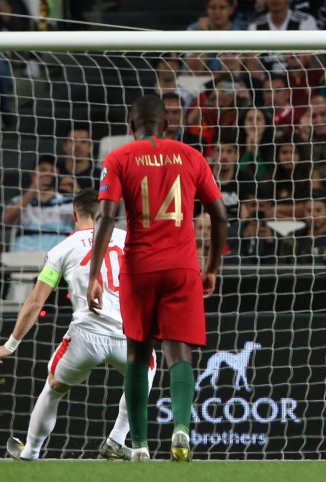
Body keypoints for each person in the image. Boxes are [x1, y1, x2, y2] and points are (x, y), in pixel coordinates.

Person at [89, 95, 228, 462]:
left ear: (129, 125)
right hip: (183, 268)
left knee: (138, 352)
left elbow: (105, 218)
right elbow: (220, 215)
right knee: (178, 352)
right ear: (167, 125)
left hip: (140, 268)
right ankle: (181, 426)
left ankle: (139, 446)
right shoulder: (191, 155)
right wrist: (211, 267)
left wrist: (95, 274)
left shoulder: (119, 158)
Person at [0, 190, 157, 461]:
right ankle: (117, 439)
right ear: (106, 215)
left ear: (74, 214)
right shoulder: (128, 239)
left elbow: (34, 301)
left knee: (53, 388)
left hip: (86, 336)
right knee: (145, 375)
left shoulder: (60, 250)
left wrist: (10, 345)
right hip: (128, 335)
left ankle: (30, 451)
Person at [2, 156, 75, 252]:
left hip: (58, 258)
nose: (47, 174)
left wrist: (77, 191)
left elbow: (91, 220)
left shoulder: (69, 202)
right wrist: (34, 187)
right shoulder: (20, 201)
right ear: (33, 175)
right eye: (43, 170)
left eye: (51, 171)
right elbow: (7, 219)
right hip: (24, 259)